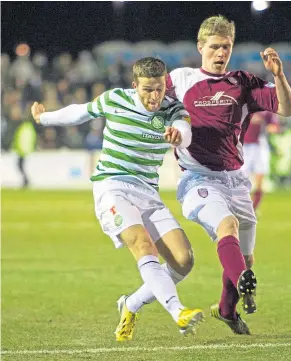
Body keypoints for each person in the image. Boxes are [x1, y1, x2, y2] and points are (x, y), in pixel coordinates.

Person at [125, 15, 291, 335]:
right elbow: (146, 103)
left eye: (227, 47)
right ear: (201, 47)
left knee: (247, 257)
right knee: (226, 227)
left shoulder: (243, 82)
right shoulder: (181, 79)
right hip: (197, 178)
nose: (221, 53)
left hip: (235, 180)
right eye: (215, 47)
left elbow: (287, 109)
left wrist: (280, 76)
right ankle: (245, 284)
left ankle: (227, 310)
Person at [30, 57, 204, 341]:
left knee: (183, 261)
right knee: (143, 244)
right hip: (113, 186)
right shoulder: (115, 100)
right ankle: (178, 312)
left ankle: (130, 304)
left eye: (159, 88)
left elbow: (185, 131)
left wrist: (178, 135)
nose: (154, 96)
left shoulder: (173, 109)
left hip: (147, 191)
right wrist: (44, 117)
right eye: (148, 89)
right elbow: (81, 112)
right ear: (135, 85)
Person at [241, 111, 280, 211]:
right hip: (243, 145)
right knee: (241, 179)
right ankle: (242, 208)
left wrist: (267, 126)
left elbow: (274, 127)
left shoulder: (266, 110)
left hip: (260, 145)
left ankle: (254, 209)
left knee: (260, 179)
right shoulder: (241, 105)